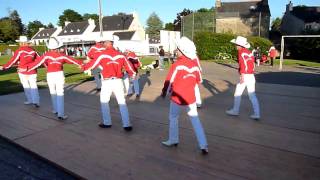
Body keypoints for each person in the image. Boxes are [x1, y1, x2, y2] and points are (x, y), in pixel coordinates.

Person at [161, 36, 208, 155]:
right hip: (191, 98)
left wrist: (164, 92)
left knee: (173, 118)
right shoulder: (194, 65)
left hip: (177, 98)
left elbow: (168, 81)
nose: (176, 51)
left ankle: (173, 140)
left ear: (181, 51)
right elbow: (199, 80)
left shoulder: (177, 65)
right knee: (195, 120)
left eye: (177, 49)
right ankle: (204, 145)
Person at [82, 34, 136, 131]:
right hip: (118, 81)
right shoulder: (121, 55)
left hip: (107, 82)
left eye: (103, 42)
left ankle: (107, 122)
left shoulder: (102, 54)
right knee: (122, 102)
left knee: (104, 102)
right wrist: (132, 74)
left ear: (107, 43)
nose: (102, 44)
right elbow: (130, 67)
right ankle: (127, 124)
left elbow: (92, 64)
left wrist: (83, 67)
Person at [23, 37, 83, 120]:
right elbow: (72, 60)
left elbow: (37, 63)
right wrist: (82, 64)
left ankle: (55, 109)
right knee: (60, 94)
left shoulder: (46, 55)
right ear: (57, 47)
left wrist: (26, 68)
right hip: (59, 74)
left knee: (53, 92)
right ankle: (61, 114)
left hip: (50, 75)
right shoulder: (62, 55)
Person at [226, 36, 260, 120]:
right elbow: (252, 64)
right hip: (251, 75)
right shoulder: (249, 52)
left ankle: (235, 111)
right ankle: (257, 113)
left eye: (236, 44)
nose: (235, 46)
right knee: (252, 95)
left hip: (245, 75)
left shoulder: (241, 52)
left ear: (240, 45)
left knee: (237, 93)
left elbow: (242, 64)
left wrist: (242, 75)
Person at [0, 36, 40, 107]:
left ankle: (30, 100)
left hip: (22, 71)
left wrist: (4, 67)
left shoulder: (19, 51)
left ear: (21, 43)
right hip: (32, 71)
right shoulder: (33, 50)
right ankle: (35, 101)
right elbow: (39, 60)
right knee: (33, 85)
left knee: (26, 86)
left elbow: (13, 61)